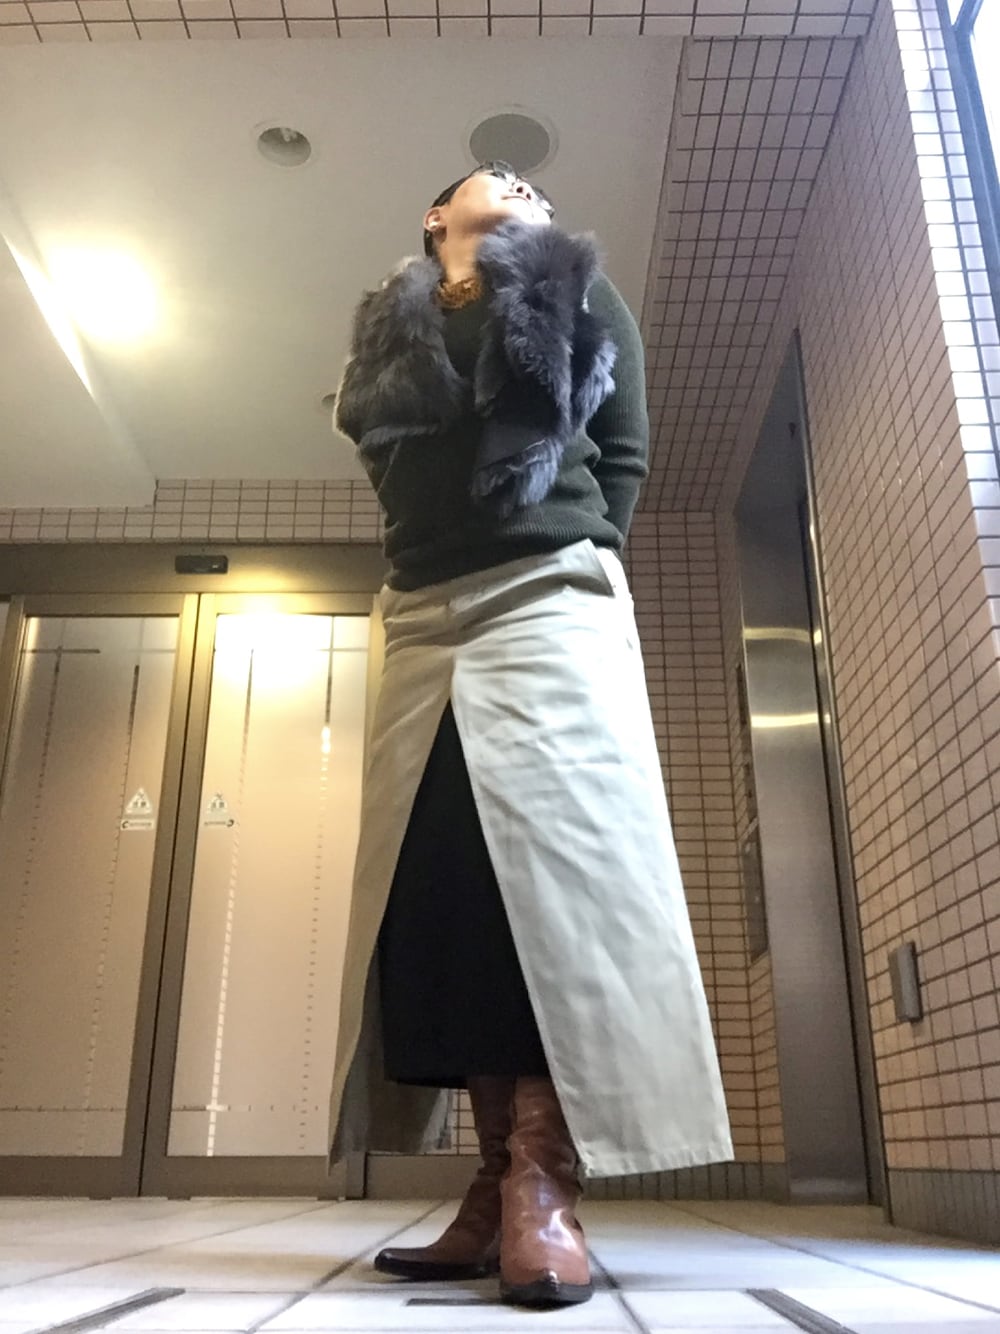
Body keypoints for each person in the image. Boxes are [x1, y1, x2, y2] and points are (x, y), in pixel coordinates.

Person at [328, 161, 732, 1308]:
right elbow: (390, 464)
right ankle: (494, 1172)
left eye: (532, 186)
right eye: (491, 177)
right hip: (420, 614)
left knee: (559, 885)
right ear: (434, 216)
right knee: (448, 880)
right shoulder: (388, 324)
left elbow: (623, 451)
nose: (520, 186)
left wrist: (573, 552)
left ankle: (544, 1180)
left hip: (545, 593)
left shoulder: (575, 288)